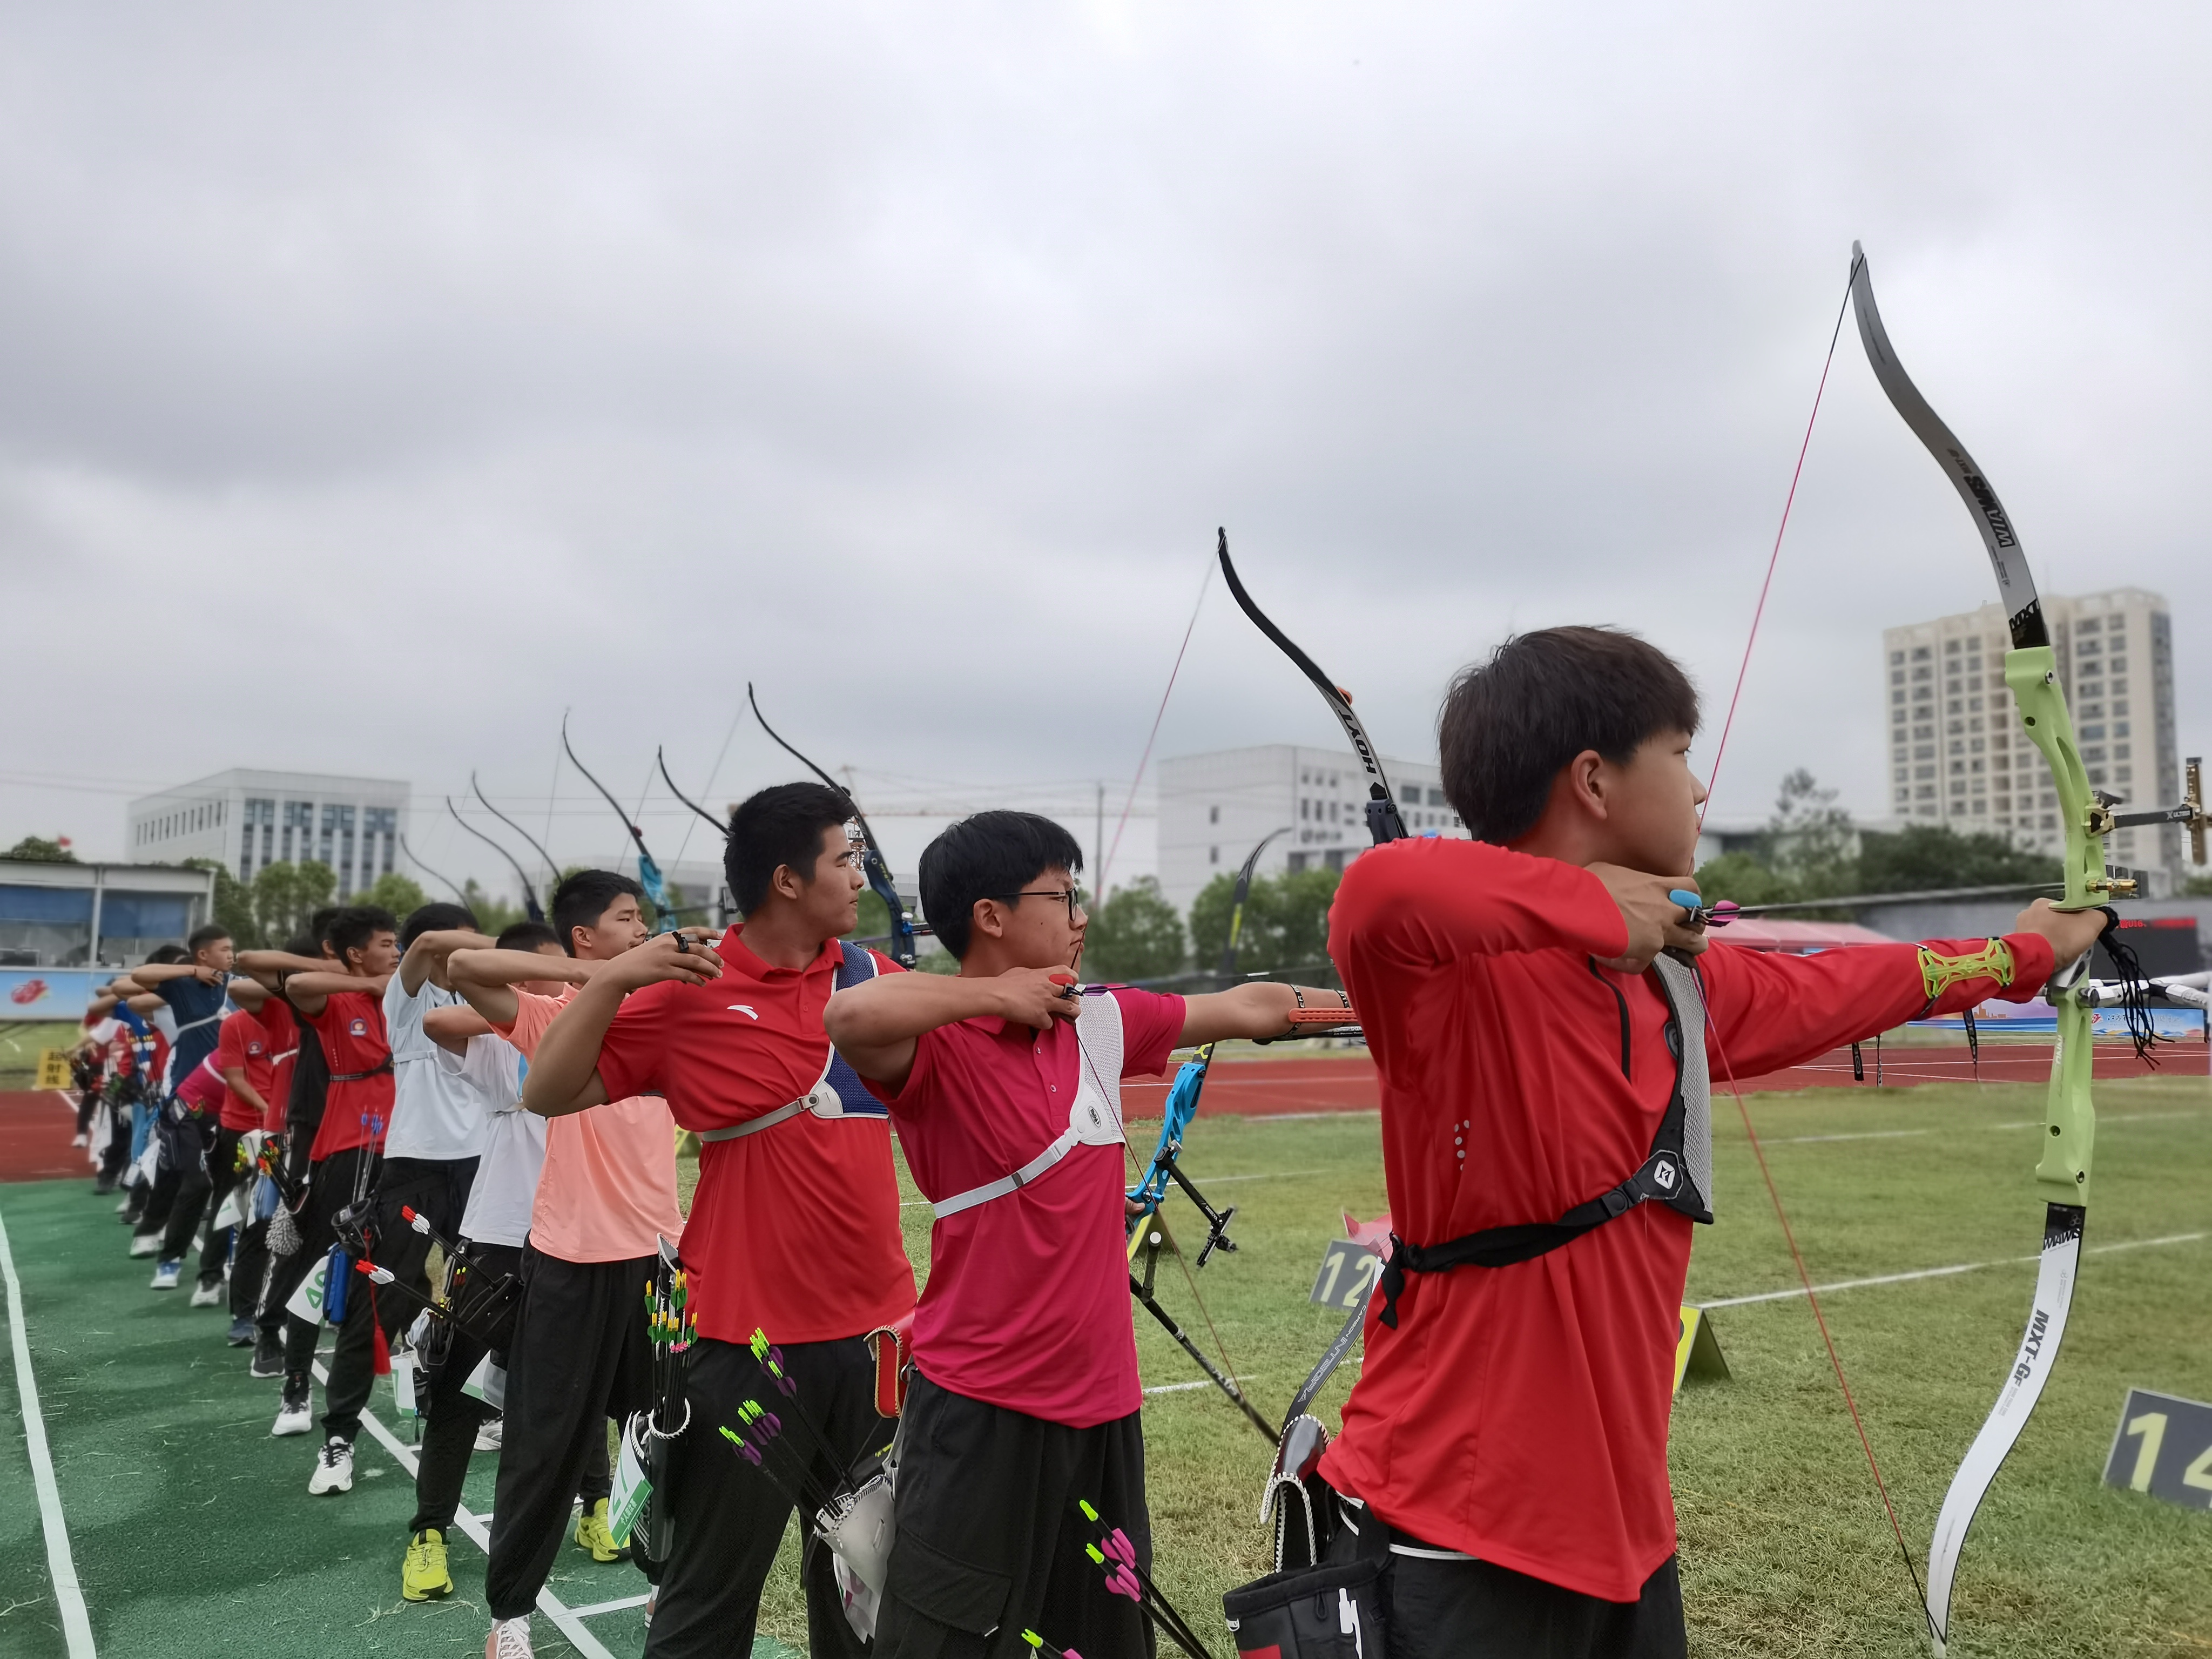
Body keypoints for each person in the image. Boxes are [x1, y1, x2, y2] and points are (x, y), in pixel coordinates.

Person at [1296, 626, 2109, 1659]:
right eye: (1679, 754)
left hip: (1628, 1542)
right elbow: (1378, 893)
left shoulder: (1680, 984)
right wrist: (1590, 903)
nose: (1699, 786)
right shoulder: (1446, 980)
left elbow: (1859, 981)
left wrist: (2026, 949)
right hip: (1454, 1532)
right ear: (1594, 780)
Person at [821, 810, 1331, 1659]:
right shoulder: (938, 1038)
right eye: (1062, 895)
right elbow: (849, 1016)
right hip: (980, 1409)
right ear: (990, 916)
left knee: (1102, 1639)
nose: (1081, 916)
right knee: (944, 1639)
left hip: (1102, 1409)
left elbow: (1252, 1005)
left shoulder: (1097, 1018)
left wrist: (1369, 1005)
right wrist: (998, 995)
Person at [522, 783, 919, 1659]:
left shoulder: (873, 982)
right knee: (707, 1605)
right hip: (747, 1349)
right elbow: (546, 1090)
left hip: (876, 1346)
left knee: (868, 1599)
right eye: (845, 858)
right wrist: (615, 976)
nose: (860, 876)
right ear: (787, 879)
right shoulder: (690, 989)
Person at [449, 870, 686, 1659]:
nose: (642, 929)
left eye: (643, 919)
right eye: (627, 919)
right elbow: (463, 970)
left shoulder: (665, 1016)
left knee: (663, 1437)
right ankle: (510, 1618)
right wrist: (598, 975)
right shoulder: (553, 1016)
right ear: (585, 939)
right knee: (544, 1445)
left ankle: (664, 1588)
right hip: (571, 1262)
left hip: (658, 1264)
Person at [400, 919, 591, 1606]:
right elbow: (438, 1022)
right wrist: (537, 1002)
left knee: (579, 1384)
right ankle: (429, 1531)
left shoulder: (594, 1026)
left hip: (578, 1234)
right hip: (499, 1234)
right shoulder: (495, 1039)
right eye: (544, 968)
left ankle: (598, 1505)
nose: (562, 978)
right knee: (457, 1389)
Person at [265, 905, 402, 1486]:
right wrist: (366, 984)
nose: (396, 953)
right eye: (386, 944)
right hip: (348, 1151)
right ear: (353, 954)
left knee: (395, 1283)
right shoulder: (340, 999)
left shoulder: (408, 995)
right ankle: (297, 1386)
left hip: (407, 1151)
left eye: (398, 945)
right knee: (319, 1272)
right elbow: (293, 982)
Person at [127, 925, 239, 1280]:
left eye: (232, 949)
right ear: (203, 955)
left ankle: (216, 1267)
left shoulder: (239, 987)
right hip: (189, 1099)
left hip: (232, 1100)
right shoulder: (183, 986)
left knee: (225, 1185)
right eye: (224, 949)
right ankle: (160, 1245)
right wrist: (192, 971)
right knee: (181, 1176)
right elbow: (139, 977)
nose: (232, 954)